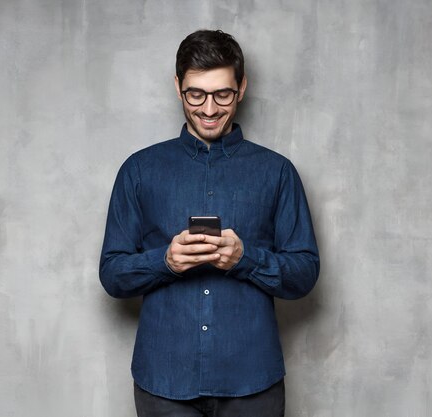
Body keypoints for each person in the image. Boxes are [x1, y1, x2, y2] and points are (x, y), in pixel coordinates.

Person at [99, 29, 320, 417]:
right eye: (195, 94)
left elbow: (304, 274)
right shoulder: (138, 170)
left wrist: (245, 259)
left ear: (242, 87)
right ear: (178, 86)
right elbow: (112, 273)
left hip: (252, 381)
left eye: (223, 94)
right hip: (163, 382)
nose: (209, 108)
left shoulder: (277, 172)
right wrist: (164, 262)